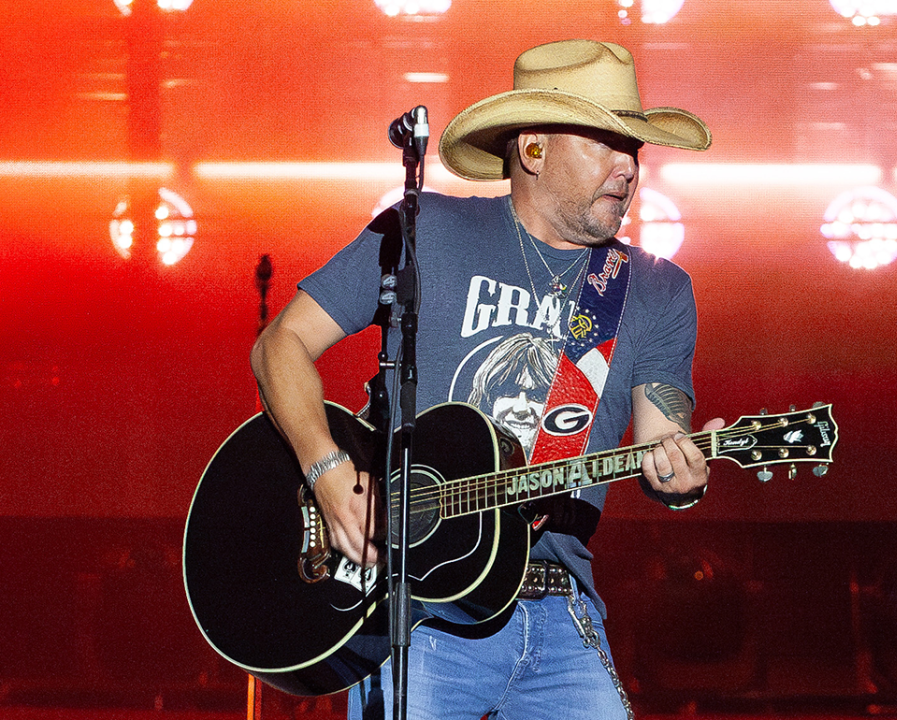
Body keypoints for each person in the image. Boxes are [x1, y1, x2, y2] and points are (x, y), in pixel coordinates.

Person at [251, 38, 724, 720]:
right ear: (532, 151)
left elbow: (662, 435)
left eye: (636, 149)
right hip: (419, 616)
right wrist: (326, 472)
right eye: (604, 143)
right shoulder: (426, 231)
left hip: (561, 610)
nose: (628, 168)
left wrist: (682, 468)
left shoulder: (655, 290)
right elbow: (281, 345)